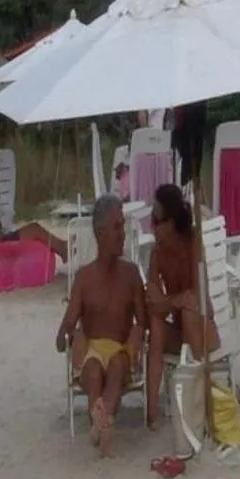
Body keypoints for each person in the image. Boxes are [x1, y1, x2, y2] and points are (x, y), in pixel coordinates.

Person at [55, 194, 145, 459]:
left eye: (124, 227)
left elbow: (144, 320)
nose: (123, 235)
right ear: (100, 233)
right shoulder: (85, 278)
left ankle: (99, 421)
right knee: (93, 371)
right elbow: (64, 333)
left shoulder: (130, 275)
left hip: (120, 349)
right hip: (92, 350)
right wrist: (72, 334)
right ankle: (103, 422)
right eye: (117, 228)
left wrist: (138, 331)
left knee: (117, 368)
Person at [143, 184, 213, 430]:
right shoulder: (157, 254)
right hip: (181, 333)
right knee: (157, 324)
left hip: (205, 331)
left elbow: (197, 299)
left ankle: (204, 402)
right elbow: (153, 303)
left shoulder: (194, 244)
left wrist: (170, 302)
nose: (152, 226)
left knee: (190, 312)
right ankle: (152, 413)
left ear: (171, 222)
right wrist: (173, 301)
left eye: (156, 220)